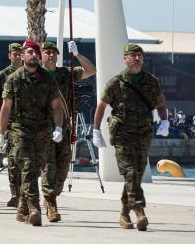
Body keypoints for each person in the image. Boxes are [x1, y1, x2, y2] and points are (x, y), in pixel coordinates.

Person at [92, 43, 169, 231]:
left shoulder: (151, 82)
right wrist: (96, 131)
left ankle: (124, 213)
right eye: (133, 55)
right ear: (125, 59)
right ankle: (139, 211)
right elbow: (101, 107)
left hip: (143, 134)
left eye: (140, 56)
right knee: (130, 173)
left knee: (136, 175)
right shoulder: (115, 83)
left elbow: (160, 103)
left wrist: (165, 121)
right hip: (123, 136)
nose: (137, 59)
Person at [0, 40, 65, 227]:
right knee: (27, 166)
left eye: (36, 52)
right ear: (23, 56)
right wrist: (1, 134)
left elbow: (56, 106)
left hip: (43, 130)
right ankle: (34, 208)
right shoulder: (14, 78)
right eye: (29, 52)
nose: (33, 55)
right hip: (20, 129)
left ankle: (22, 207)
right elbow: (6, 108)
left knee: (35, 170)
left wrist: (58, 127)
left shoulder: (48, 79)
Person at [40, 41, 96, 222]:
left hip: (63, 127)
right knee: (49, 166)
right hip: (43, 127)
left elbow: (91, 71)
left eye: (53, 52)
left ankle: (50, 196)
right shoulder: (36, 75)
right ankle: (51, 204)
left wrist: (77, 55)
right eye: (47, 52)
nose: (50, 55)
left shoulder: (65, 73)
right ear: (41, 55)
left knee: (63, 167)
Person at [0, 43, 24, 207]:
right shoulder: (2, 75)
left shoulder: (31, 73)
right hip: (10, 125)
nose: (17, 56)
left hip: (29, 123)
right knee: (12, 160)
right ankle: (15, 194)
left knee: (27, 161)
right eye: (14, 54)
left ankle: (25, 193)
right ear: (9, 55)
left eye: (20, 54)